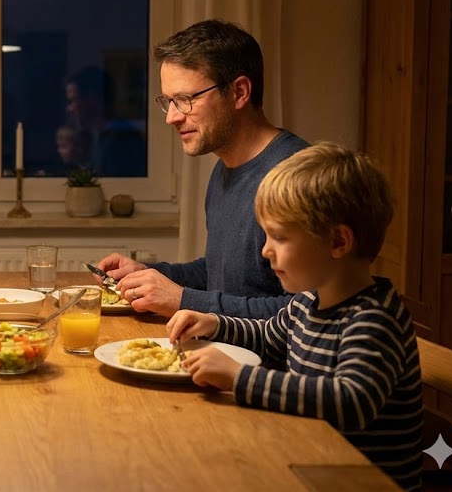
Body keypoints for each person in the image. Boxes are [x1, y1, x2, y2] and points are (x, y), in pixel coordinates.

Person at [166, 142, 422, 490]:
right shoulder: (305, 303)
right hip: (308, 465)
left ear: (338, 242)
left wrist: (239, 378)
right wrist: (213, 323)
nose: (265, 249)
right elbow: (267, 336)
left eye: (279, 237)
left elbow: (351, 402)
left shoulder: (373, 319)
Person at [97, 19, 309, 319]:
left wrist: (183, 300)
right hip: (219, 353)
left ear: (239, 92)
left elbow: (304, 315)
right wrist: (148, 274)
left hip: (263, 365)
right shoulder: (225, 168)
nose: (171, 117)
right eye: (168, 102)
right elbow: (222, 274)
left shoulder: (299, 180)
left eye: (184, 100)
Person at [64, 66, 147, 177]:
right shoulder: (100, 136)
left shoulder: (122, 140)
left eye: (73, 100)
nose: (69, 108)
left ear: (92, 98)